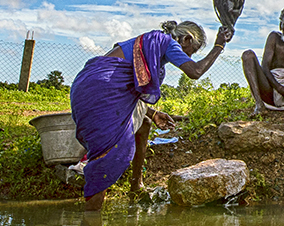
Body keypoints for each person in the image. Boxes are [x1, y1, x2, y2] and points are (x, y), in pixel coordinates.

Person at [70, 18, 233, 209]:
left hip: (84, 89)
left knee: (144, 125)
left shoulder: (149, 44)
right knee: (106, 157)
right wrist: (219, 46)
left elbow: (125, 90)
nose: (189, 56)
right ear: (187, 39)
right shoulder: (167, 42)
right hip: (102, 94)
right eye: (192, 51)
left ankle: (136, 185)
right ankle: (91, 220)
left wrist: (153, 113)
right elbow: (195, 71)